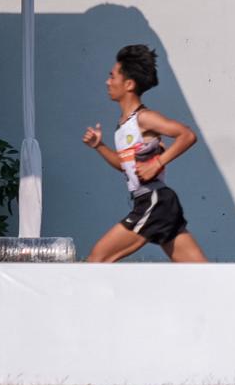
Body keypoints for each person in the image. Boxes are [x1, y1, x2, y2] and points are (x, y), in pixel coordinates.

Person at [82, 45, 207, 262]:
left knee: (97, 259)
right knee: (201, 270)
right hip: (157, 203)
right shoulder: (123, 126)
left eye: (112, 76)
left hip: (154, 200)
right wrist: (99, 146)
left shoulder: (144, 118)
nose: (107, 82)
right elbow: (124, 165)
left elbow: (187, 135)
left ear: (129, 84)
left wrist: (157, 163)